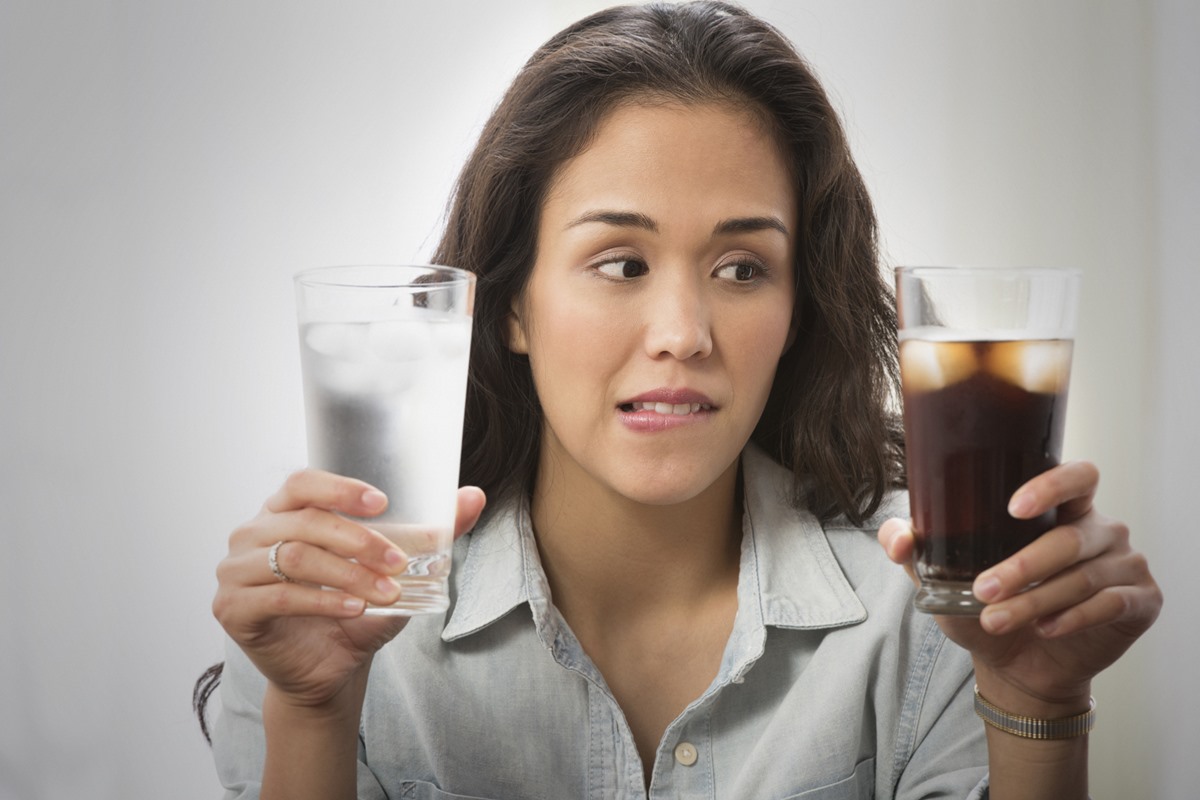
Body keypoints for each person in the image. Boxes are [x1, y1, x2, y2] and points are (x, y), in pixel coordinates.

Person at [198, 3, 1162, 798]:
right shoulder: (330, 625)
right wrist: (315, 713)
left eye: (743, 267)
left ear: (797, 309)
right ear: (510, 307)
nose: (684, 331)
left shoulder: (939, 612)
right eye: (620, 262)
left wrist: (1038, 703)